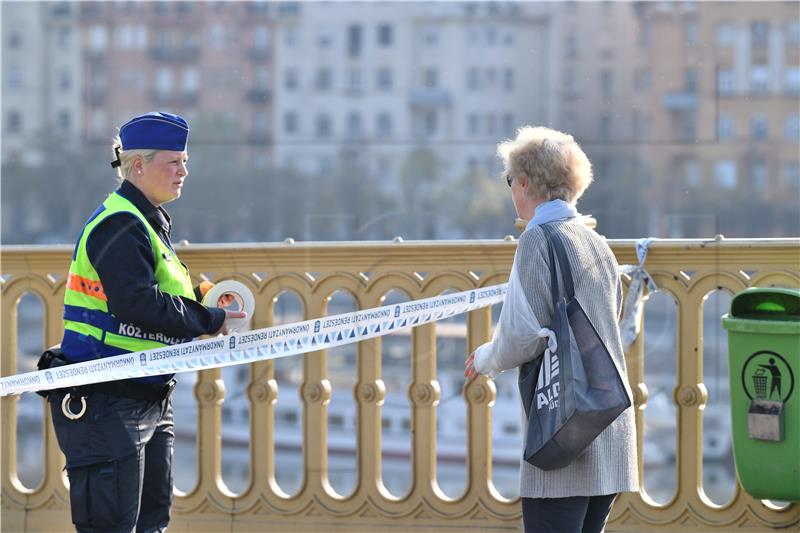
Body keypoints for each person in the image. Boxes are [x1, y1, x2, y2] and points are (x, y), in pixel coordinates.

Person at [49, 111, 246, 533]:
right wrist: (208, 318)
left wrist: (202, 296)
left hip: (148, 395)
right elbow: (137, 303)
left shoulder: (145, 221)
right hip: (107, 400)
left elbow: (159, 290)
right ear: (138, 165)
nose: (184, 172)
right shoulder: (119, 224)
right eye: (174, 162)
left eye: (186, 161)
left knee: (152, 523)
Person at [464, 126, 639, 533]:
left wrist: (485, 358)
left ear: (525, 183)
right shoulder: (598, 243)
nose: (512, 190)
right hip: (610, 427)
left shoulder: (538, 239)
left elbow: (522, 336)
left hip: (565, 432)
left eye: (511, 181)